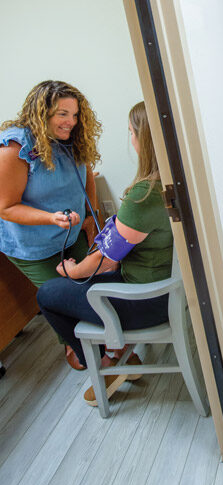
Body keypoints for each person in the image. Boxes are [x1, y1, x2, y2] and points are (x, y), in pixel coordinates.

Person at [37, 101, 173, 405]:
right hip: (162, 290)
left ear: (145, 139)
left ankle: (108, 361)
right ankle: (114, 352)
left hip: (146, 301)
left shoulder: (144, 195)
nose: (131, 140)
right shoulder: (174, 180)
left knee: (48, 294)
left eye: (131, 133)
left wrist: (72, 271)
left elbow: (107, 261)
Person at [0, 80, 102, 368]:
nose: (71, 122)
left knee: (92, 288)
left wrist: (90, 217)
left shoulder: (71, 139)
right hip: (34, 244)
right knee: (66, 299)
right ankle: (75, 346)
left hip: (71, 233)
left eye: (75, 114)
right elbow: (5, 207)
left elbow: (88, 174)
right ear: (41, 113)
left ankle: (105, 342)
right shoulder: (15, 147)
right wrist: (50, 218)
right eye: (62, 114)